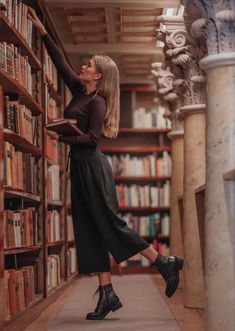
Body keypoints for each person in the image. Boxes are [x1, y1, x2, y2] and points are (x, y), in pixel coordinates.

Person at [28, 8, 184, 321]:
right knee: (88, 228)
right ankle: (107, 294)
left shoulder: (97, 102)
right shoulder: (78, 90)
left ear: (97, 75)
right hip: (80, 167)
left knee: (109, 222)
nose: (83, 67)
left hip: (93, 166)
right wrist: (42, 31)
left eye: (89, 65)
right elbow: (60, 63)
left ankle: (161, 261)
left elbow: (92, 138)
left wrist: (63, 134)